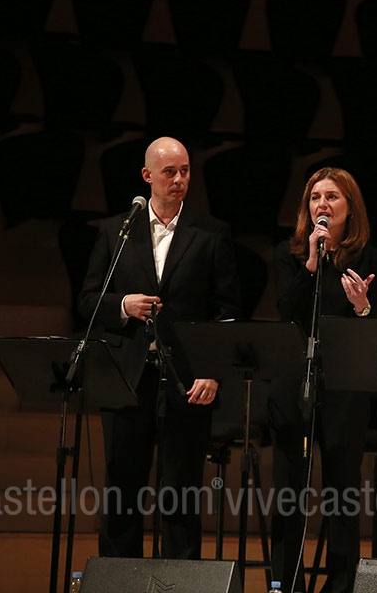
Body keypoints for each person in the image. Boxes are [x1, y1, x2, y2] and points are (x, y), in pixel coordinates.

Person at [77, 136, 241, 559]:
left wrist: (212, 371)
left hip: (186, 379)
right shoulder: (116, 230)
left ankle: (179, 580)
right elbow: (87, 301)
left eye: (185, 171)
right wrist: (123, 306)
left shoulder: (211, 234)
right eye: (170, 172)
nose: (179, 179)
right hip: (126, 376)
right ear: (147, 176)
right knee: (122, 486)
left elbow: (226, 313)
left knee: (181, 488)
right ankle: (118, 580)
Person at [269, 167, 377, 593]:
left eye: (332, 196)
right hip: (294, 383)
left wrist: (362, 308)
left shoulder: (369, 258)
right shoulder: (290, 254)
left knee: (342, 491)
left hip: (344, 385)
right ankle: (287, 583)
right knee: (289, 490)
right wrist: (311, 265)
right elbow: (287, 310)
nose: (322, 204)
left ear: (350, 208)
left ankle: (341, 584)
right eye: (315, 197)